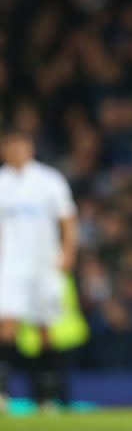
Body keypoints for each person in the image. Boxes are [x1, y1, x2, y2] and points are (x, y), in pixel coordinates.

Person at [0, 130, 78, 412]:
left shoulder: (48, 181)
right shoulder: (2, 182)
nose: (16, 152)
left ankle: (47, 396)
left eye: (20, 147)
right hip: (9, 265)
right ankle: (3, 393)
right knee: (6, 324)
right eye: (10, 148)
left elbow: (67, 218)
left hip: (44, 263)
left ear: (30, 149)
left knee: (45, 328)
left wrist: (68, 252)